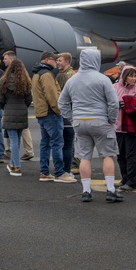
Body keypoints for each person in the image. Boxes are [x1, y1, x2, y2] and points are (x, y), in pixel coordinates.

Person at [57, 48, 120, 201]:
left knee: (85, 157)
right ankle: (110, 190)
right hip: (100, 120)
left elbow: (62, 102)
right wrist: (111, 119)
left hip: (80, 122)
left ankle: (86, 191)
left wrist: (73, 118)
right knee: (107, 155)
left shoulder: (73, 80)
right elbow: (113, 102)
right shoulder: (102, 79)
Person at [32, 51, 73, 183]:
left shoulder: (37, 73)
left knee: (45, 143)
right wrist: (59, 110)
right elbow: (52, 96)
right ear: (48, 60)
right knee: (57, 143)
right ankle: (60, 173)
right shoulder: (47, 75)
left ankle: (44, 172)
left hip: (41, 113)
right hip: (51, 114)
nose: (56, 62)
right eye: (54, 60)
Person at [113, 66, 136, 193]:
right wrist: (118, 105)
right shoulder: (115, 87)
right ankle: (124, 178)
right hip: (118, 126)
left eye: (135, 76)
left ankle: (131, 181)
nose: (133, 78)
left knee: (131, 154)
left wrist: (130, 103)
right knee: (120, 155)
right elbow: (109, 103)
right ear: (124, 76)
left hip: (133, 126)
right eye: (130, 75)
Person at [0, 58, 33, 176]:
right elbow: (29, 99)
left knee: (13, 140)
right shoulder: (26, 81)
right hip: (22, 111)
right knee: (16, 139)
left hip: (9, 111)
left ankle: (16, 167)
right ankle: (13, 163)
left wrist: (6, 106)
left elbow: (0, 99)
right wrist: (23, 106)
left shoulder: (4, 81)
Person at [55, 53, 78, 175]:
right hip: (70, 113)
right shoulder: (70, 75)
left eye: (60, 60)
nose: (57, 62)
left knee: (67, 143)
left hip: (66, 112)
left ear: (67, 62)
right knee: (68, 142)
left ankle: (71, 165)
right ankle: (69, 166)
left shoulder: (68, 76)